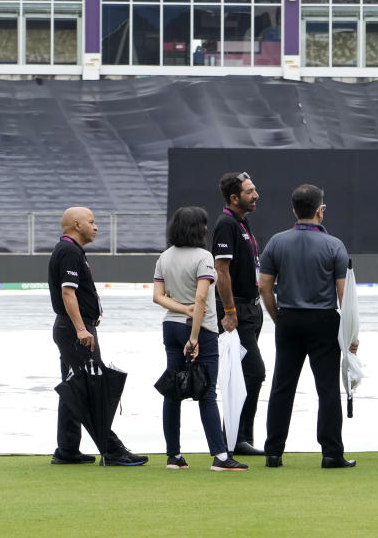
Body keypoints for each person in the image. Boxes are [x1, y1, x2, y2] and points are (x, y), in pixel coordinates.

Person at [259, 184, 356, 469]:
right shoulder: (334, 245)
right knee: (327, 388)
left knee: (282, 386)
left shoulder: (276, 242)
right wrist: (350, 334)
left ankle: (273, 452)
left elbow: (264, 287)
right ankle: (331, 452)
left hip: (289, 319)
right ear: (320, 210)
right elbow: (344, 295)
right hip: (324, 320)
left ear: (293, 210)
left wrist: (278, 317)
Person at [49, 206, 148, 467]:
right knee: (93, 388)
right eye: (91, 222)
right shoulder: (70, 251)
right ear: (76, 225)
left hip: (70, 329)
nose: (96, 227)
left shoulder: (69, 250)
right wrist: (82, 329)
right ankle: (113, 450)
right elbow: (68, 294)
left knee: (75, 387)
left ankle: (67, 449)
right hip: (75, 330)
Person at [152, 206, 248, 471]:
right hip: (200, 330)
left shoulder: (165, 257)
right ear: (197, 229)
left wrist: (180, 309)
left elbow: (157, 297)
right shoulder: (204, 257)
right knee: (206, 392)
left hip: (170, 326)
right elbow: (202, 298)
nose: (207, 229)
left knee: (173, 391)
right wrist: (193, 336)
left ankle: (173, 456)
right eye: (203, 225)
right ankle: (219, 455)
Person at [212, 171, 265, 456]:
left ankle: (239, 437)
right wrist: (230, 311)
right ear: (234, 198)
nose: (256, 195)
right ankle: (234, 437)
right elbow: (221, 271)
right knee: (252, 372)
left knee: (246, 374)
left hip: (250, 308)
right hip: (237, 310)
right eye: (250, 191)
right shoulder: (226, 224)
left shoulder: (242, 223)